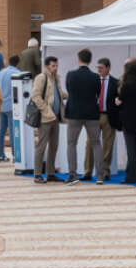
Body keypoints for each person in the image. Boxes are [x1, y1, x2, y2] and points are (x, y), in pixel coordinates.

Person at [63, 48, 104, 183]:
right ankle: (99, 176)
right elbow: (98, 93)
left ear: (78, 59)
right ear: (90, 60)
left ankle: (72, 175)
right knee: (96, 143)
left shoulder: (70, 75)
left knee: (71, 143)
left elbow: (69, 90)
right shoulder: (95, 77)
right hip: (92, 113)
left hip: (74, 113)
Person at [30, 55, 64, 183]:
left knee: (54, 146)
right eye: (53, 66)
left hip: (55, 117)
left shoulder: (56, 78)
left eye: (56, 66)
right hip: (45, 118)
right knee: (41, 146)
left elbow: (58, 94)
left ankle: (50, 173)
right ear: (47, 66)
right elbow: (35, 96)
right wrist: (46, 110)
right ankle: (37, 174)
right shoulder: (41, 77)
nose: (55, 68)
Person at [88, 57, 118, 179]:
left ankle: (104, 171)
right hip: (94, 116)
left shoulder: (116, 82)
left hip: (109, 116)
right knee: (89, 143)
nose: (99, 70)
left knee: (107, 146)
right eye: (97, 68)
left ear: (108, 68)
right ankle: (87, 171)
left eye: (101, 68)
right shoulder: (93, 81)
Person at [0, 55, 20, 164]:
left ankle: (1, 155)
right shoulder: (17, 73)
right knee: (13, 130)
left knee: (1, 131)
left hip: (1, 104)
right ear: (18, 63)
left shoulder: (0, 73)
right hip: (11, 105)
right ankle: (15, 155)